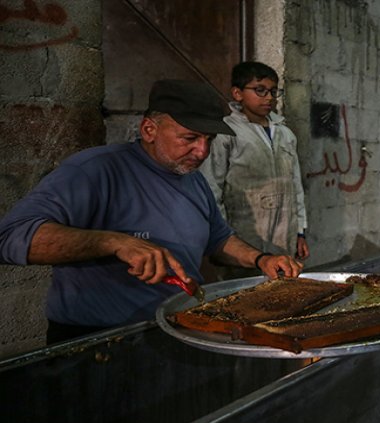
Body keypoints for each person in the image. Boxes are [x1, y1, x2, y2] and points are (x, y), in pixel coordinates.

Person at [0, 79, 303, 344]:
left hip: (175, 328)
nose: (202, 152)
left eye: (209, 140)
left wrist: (261, 259)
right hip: (99, 341)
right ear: (149, 130)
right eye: (190, 138)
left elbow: (218, 237)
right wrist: (114, 242)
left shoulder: (192, 179)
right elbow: (11, 236)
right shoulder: (95, 171)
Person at [199, 61, 308, 280]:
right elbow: (212, 188)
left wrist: (300, 231)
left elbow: (296, 185)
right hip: (244, 235)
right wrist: (221, 238)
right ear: (237, 93)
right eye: (260, 90)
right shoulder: (226, 133)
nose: (269, 98)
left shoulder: (285, 134)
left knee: (283, 287)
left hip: (284, 234)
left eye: (273, 91)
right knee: (244, 289)